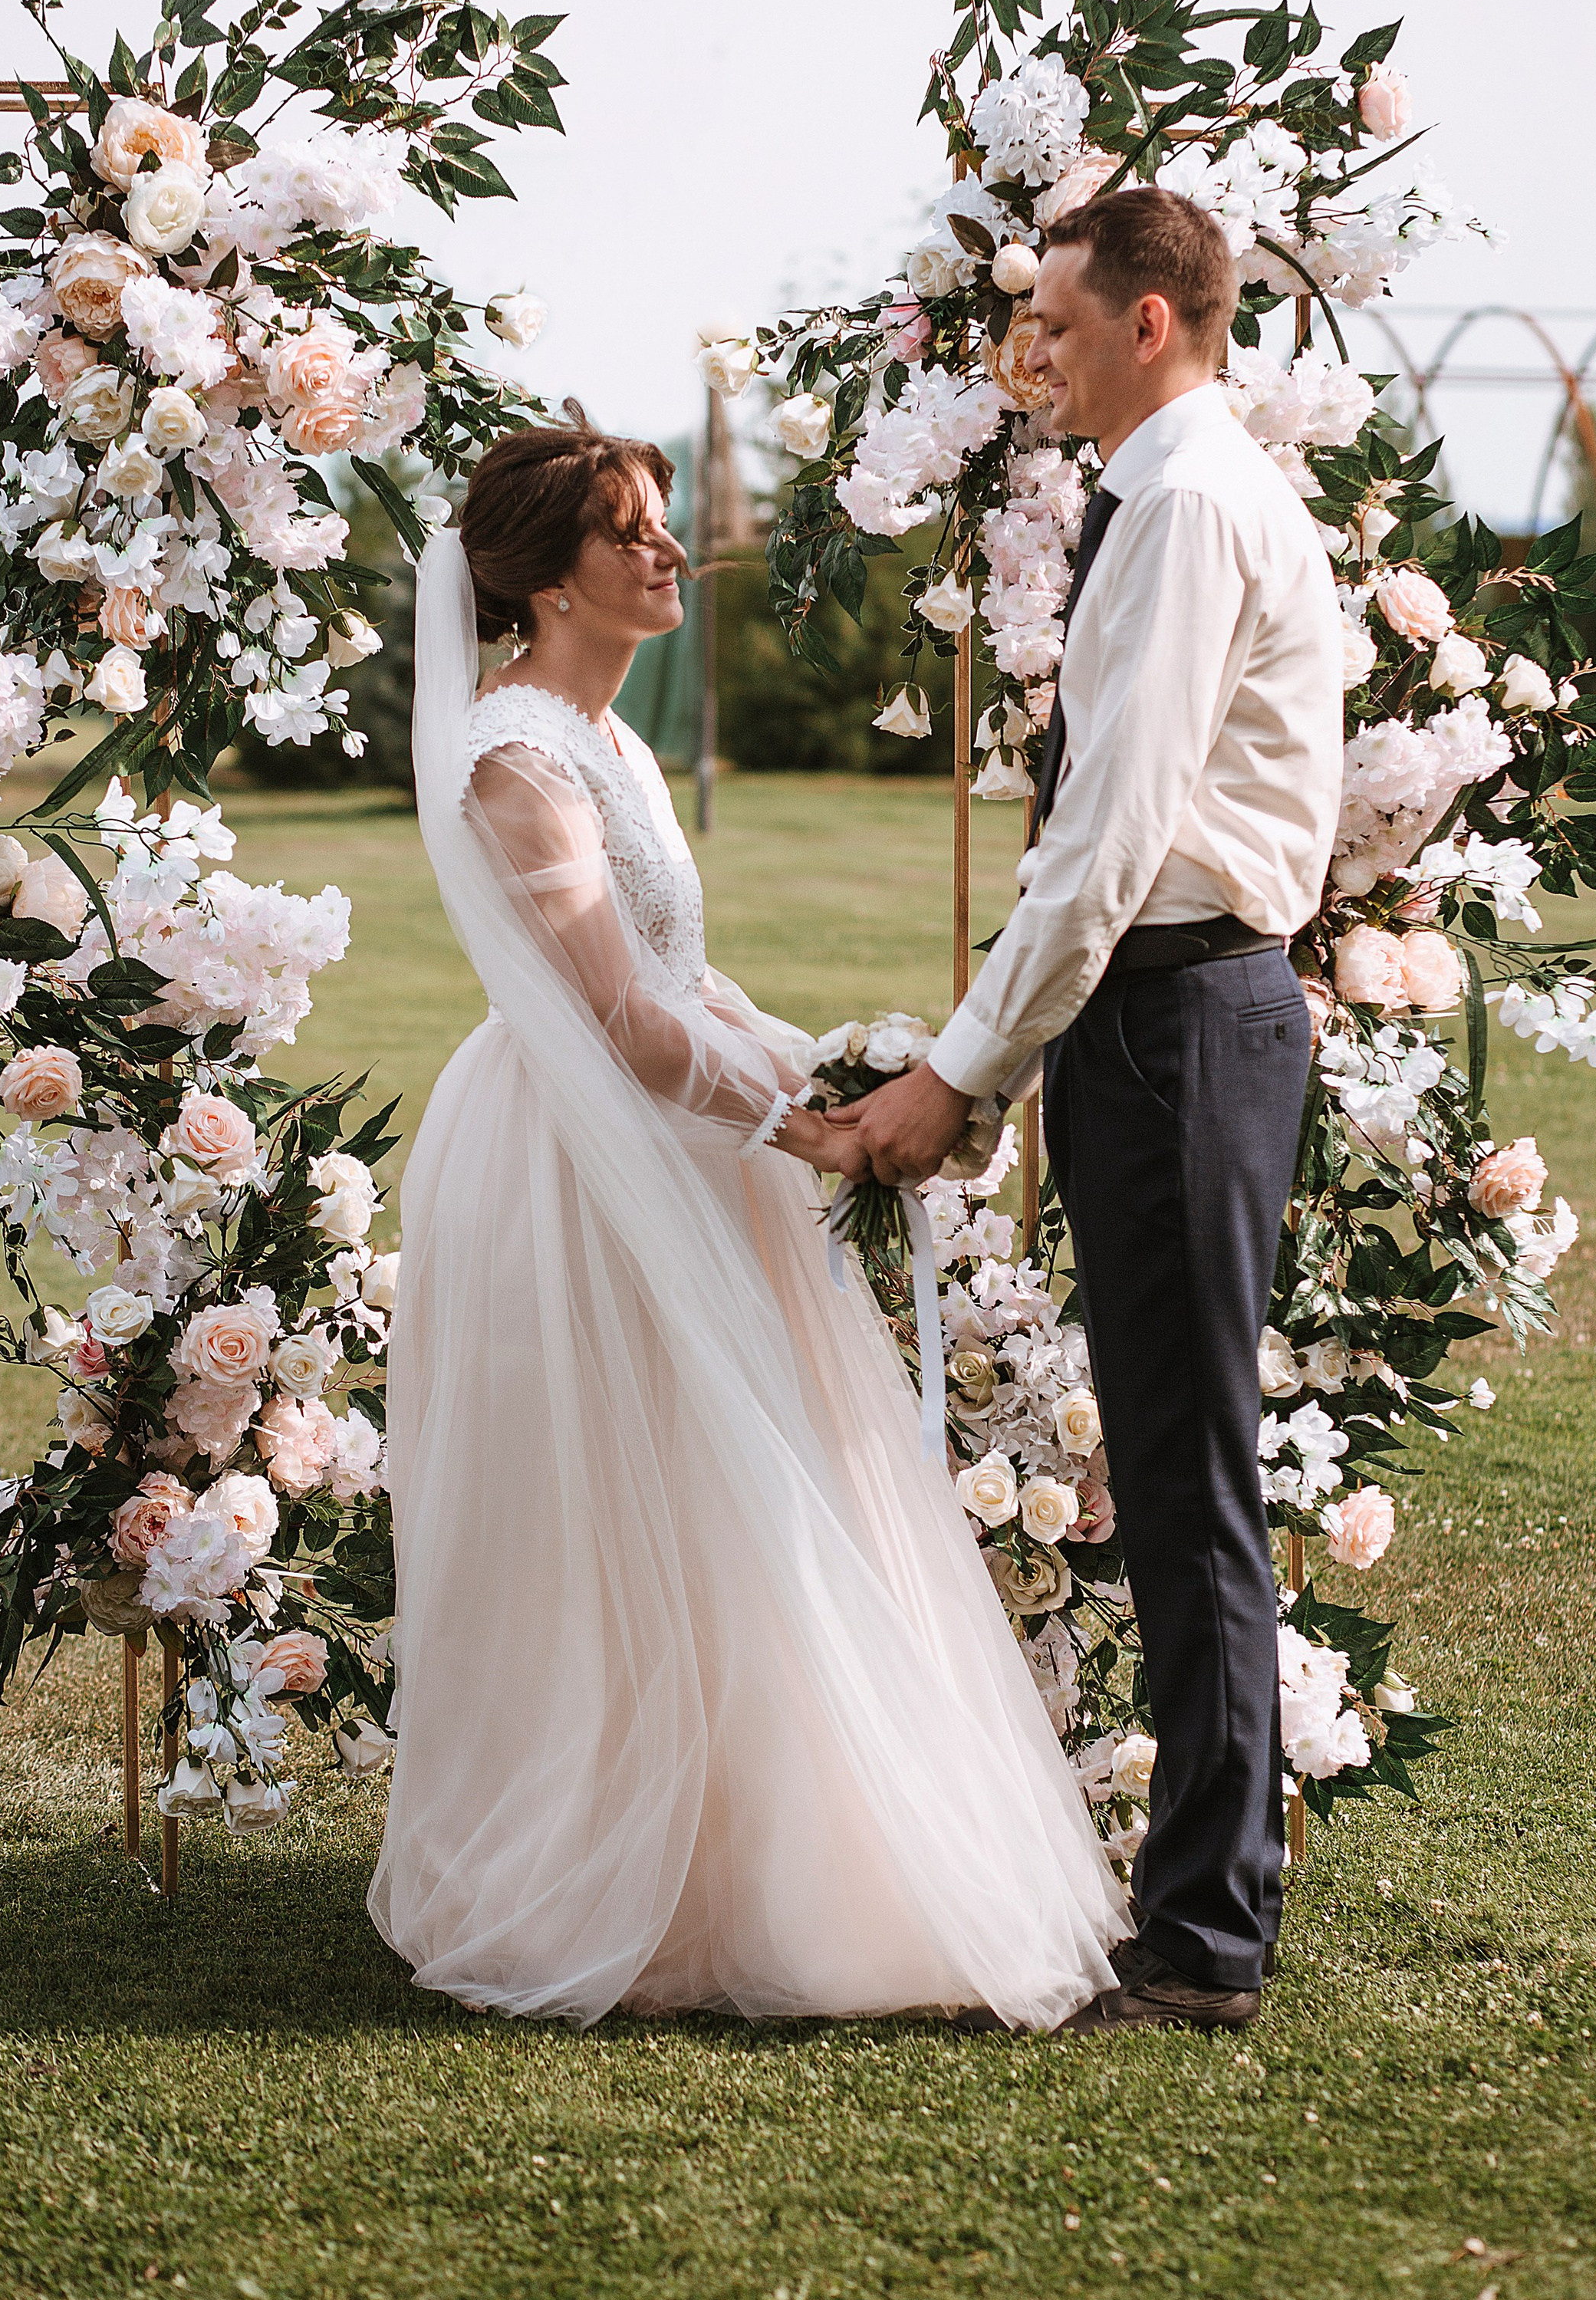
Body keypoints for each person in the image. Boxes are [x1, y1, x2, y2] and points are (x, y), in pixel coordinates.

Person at [368, 416, 1128, 2027]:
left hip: (678, 1135)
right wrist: (808, 1131)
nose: (666, 554)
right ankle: (598, 1860)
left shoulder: (611, 743)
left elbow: (681, 988)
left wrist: (831, 1072)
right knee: (617, 1503)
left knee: (739, 1493)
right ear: (541, 578)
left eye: (660, 527)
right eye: (628, 533)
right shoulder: (516, 759)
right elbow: (622, 1028)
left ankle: (743, 1850)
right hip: (572, 1164)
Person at [840, 189, 1344, 2034]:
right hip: (1159, 1021)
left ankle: (1205, 1939)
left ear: (1151, 321)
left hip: (1181, 1018)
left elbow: (1112, 837)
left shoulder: (1191, 504)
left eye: (1056, 321)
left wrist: (961, 1069)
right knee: (1165, 1461)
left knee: (1186, 1476)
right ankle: (1199, 1917)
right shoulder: (1170, 495)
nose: (1029, 353)